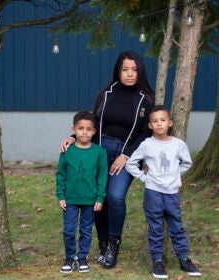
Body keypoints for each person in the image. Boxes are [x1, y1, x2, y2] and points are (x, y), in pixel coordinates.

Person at [60, 50, 155, 269]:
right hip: (100, 151)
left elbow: (144, 134)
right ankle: (102, 244)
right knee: (98, 198)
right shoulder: (105, 94)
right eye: (125, 69)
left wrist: (126, 155)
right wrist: (74, 137)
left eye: (134, 69)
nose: (130, 74)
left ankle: (113, 243)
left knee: (115, 197)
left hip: (126, 153)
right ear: (118, 71)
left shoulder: (145, 99)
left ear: (140, 72)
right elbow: (92, 121)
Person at [125, 105, 201, 279]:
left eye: (163, 120)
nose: (159, 124)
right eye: (155, 121)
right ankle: (157, 261)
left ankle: (184, 259)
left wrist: (174, 175)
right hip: (153, 193)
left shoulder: (178, 145)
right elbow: (131, 163)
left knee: (177, 226)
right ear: (150, 125)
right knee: (156, 228)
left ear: (170, 123)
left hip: (172, 193)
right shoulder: (147, 145)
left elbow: (186, 163)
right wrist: (144, 178)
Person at [56, 110, 108, 273]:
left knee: (86, 230)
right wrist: (61, 195)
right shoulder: (67, 150)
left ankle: (83, 257)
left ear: (94, 131)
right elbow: (61, 174)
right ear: (73, 129)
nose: (84, 132)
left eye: (88, 129)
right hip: (70, 199)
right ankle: (70, 257)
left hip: (90, 199)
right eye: (80, 128)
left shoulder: (100, 152)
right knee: (69, 230)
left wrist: (100, 197)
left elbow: (102, 176)